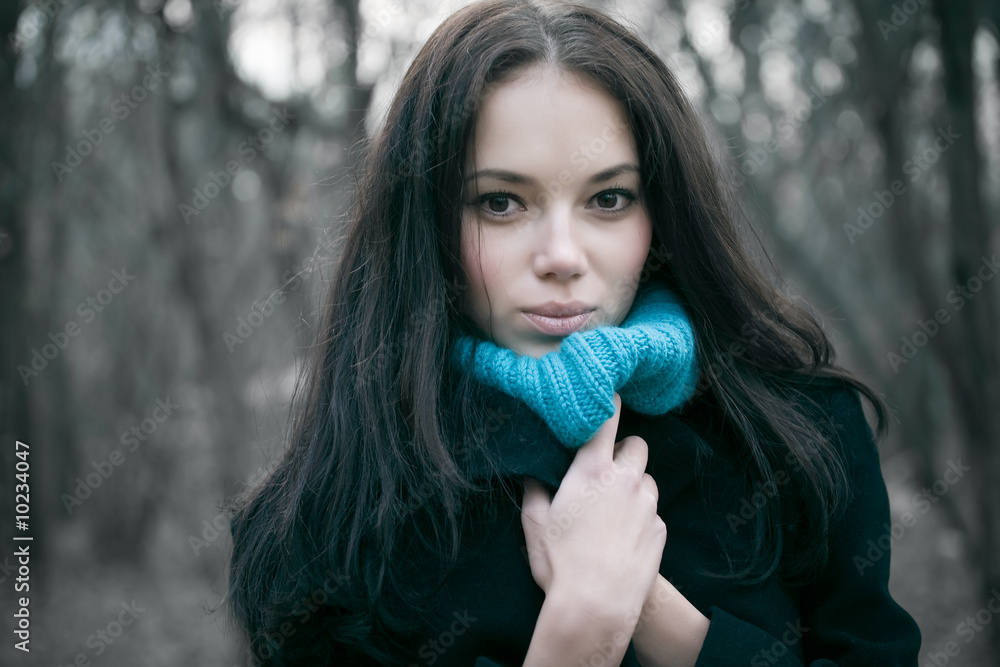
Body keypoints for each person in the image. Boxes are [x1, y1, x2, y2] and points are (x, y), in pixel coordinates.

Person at [223, 1, 922, 665]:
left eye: (608, 199)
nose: (562, 254)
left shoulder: (800, 429)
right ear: (428, 228)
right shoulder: (339, 507)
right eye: (501, 202)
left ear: (661, 218)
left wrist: (649, 610)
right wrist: (576, 634)